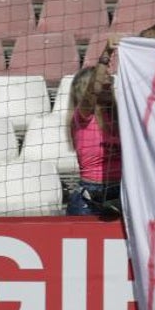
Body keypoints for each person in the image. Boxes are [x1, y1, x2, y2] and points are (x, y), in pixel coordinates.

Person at [67, 36, 123, 217]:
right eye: (104, 82)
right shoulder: (83, 116)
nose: (109, 84)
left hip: (122, 193)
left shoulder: (118, 116)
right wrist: (107, 53)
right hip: (90, 199)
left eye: (110, 81)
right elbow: (94, 89)